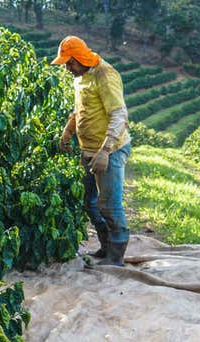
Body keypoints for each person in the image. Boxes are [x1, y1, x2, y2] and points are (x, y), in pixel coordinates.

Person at [51, 35, 132, 267]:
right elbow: (80, 111)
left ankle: (116, 256)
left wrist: (105, 151)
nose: (67, 68)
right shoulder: (80, 77)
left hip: (111, 149)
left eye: (70, 63)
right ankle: (106, 247)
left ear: (80, 58)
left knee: (109, 203)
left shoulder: (105, 75)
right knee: (90, 202)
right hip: (88, 149)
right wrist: (67, 133)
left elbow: (119, 114)